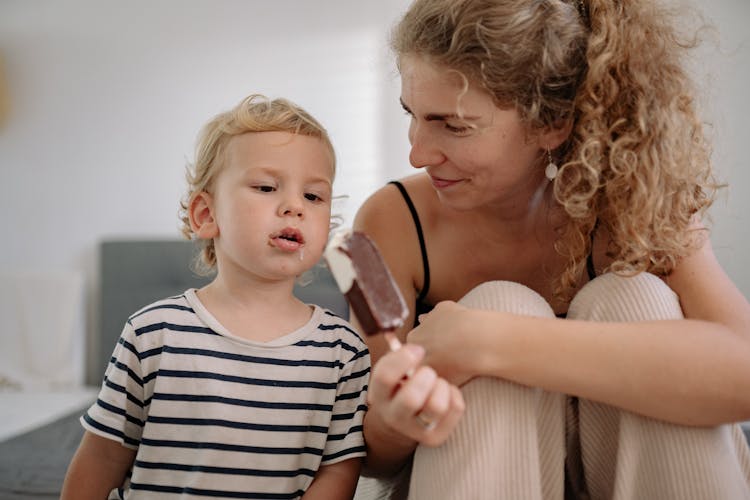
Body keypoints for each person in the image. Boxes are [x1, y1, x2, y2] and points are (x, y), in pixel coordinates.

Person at [352, 1, 750, 499]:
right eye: (411, 114)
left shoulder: (642, 200)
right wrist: (393, 417)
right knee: (500, 298)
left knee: (632, 298)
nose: (417, 152)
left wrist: (486, 339)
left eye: (453, 125)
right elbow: (368, 454)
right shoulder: (383, 223)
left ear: (551, 124)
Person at [62, 94, 370, 500]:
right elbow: (101, 459)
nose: (295, 206)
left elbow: (338, 473)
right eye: (266, 186)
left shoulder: (343, 351)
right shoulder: (153, 333)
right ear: (206, 215)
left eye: (313, 196)